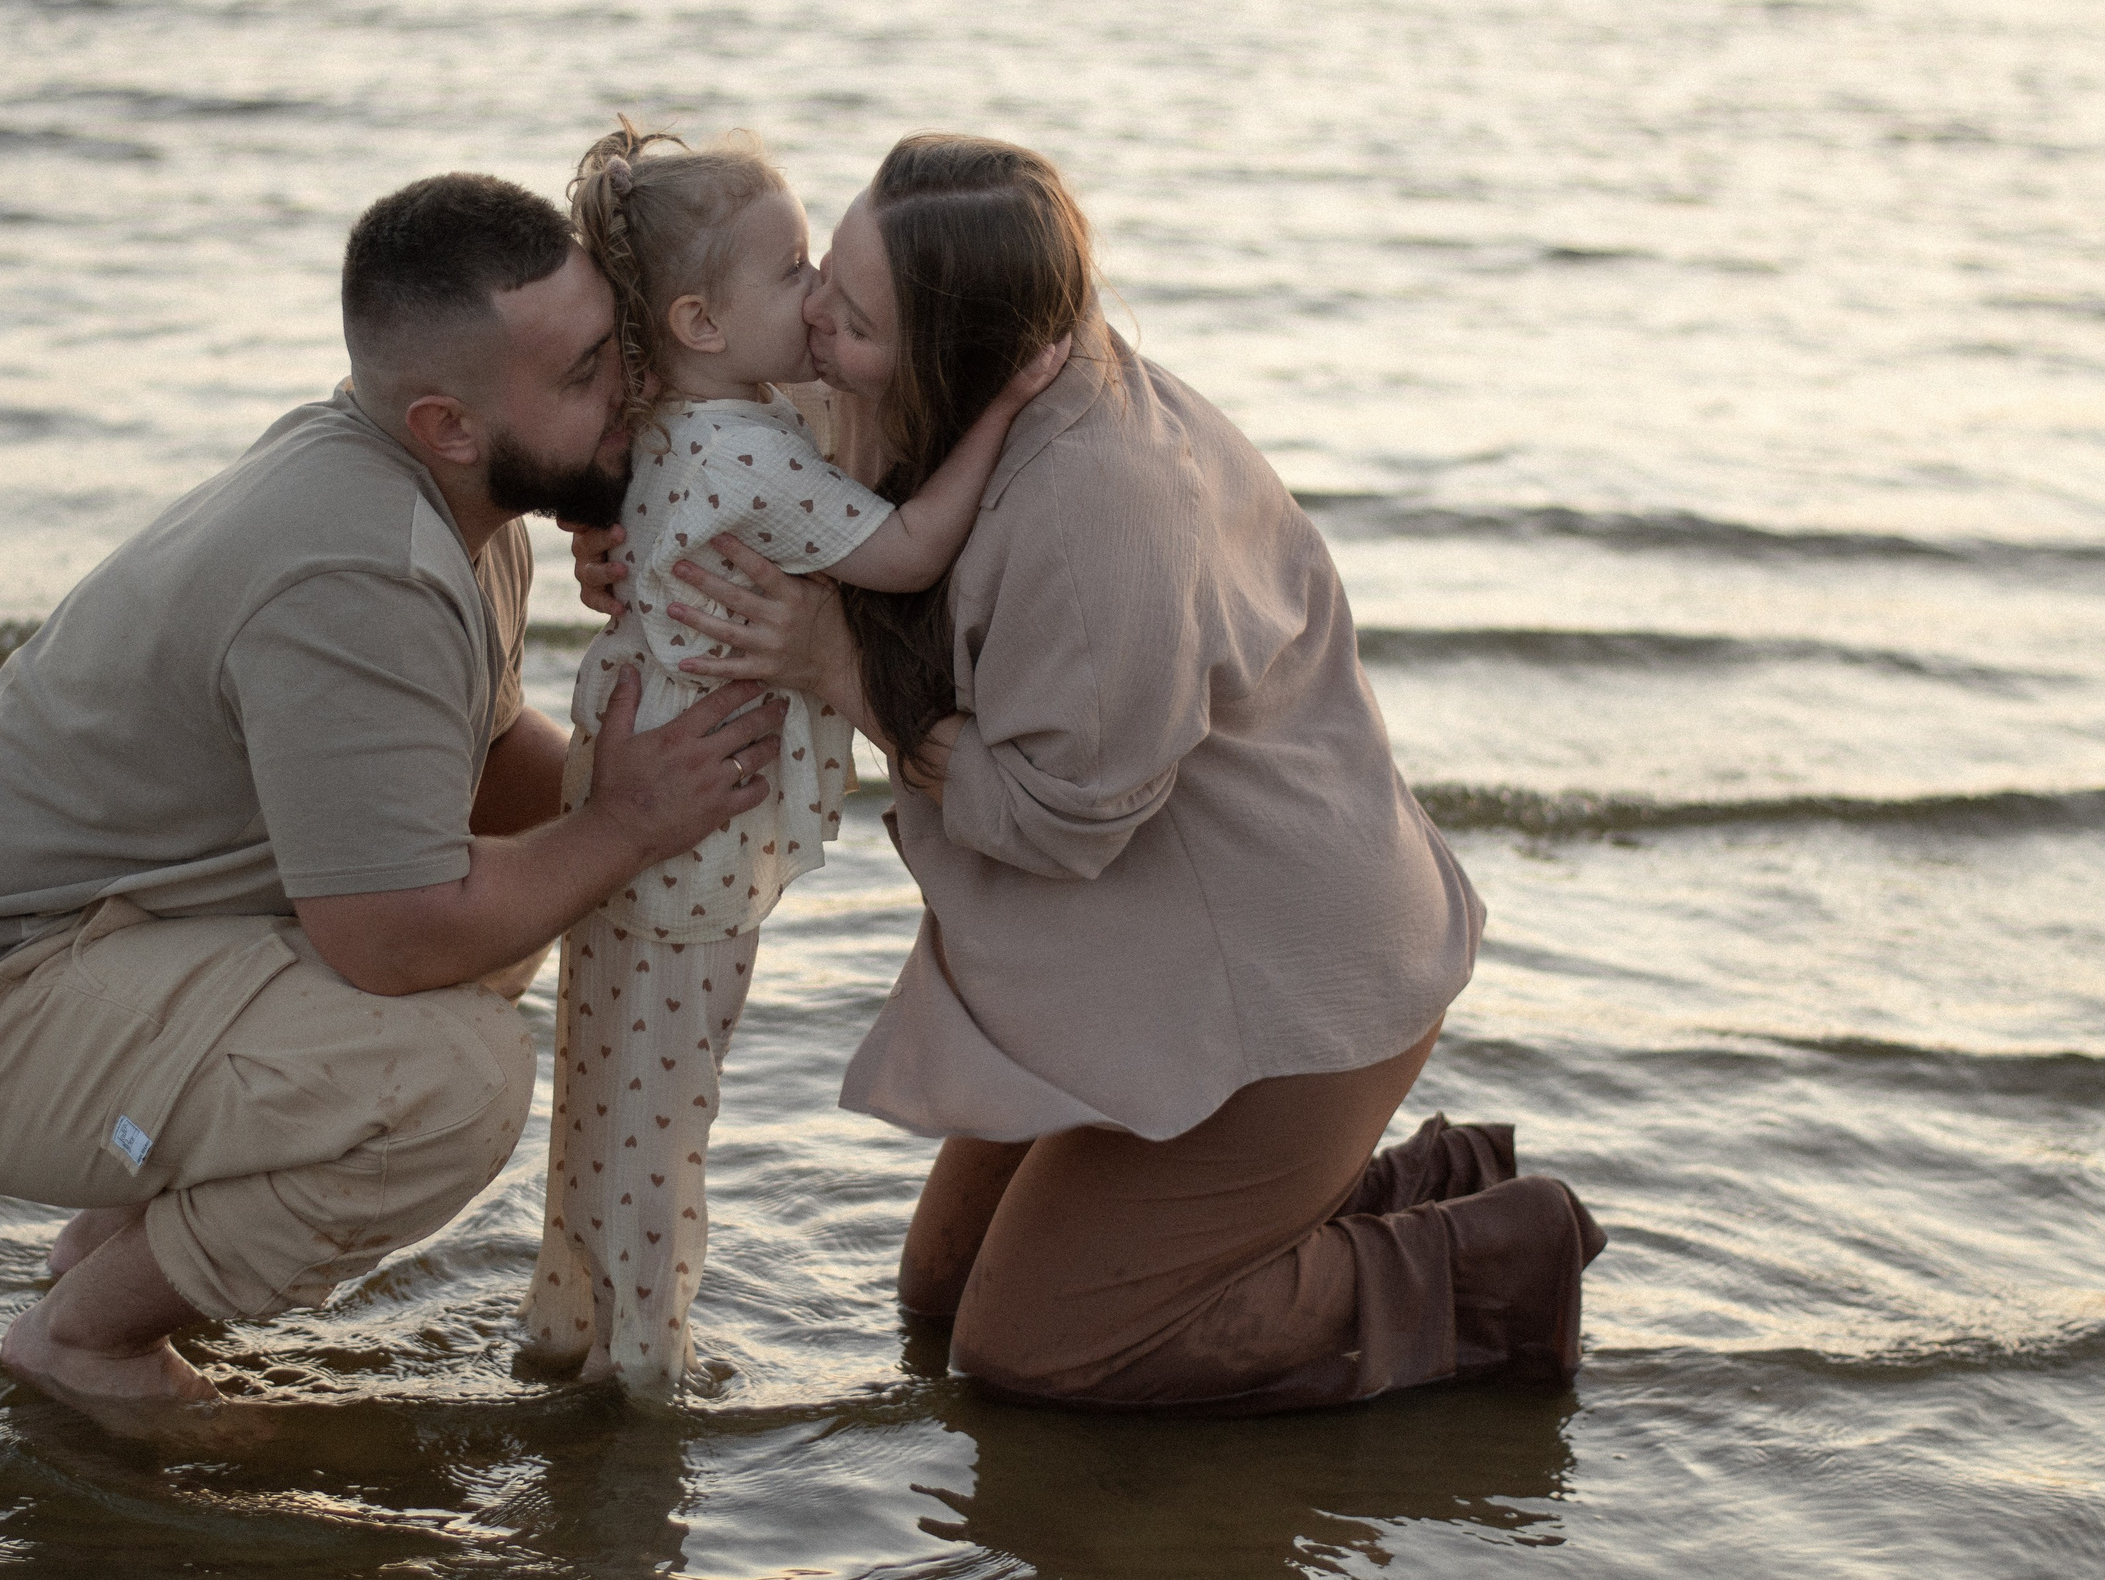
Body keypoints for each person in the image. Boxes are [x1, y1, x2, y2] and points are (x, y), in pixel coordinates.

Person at [578, 134, 1606, 1412]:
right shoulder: (931, 385)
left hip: (1276, 987)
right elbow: (733, 446)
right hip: (1134, 954)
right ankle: (1353, 1196)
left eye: (854, 317)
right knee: (941, 1294)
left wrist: (838, 669)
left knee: (1036, 1348)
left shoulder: (1100, 506)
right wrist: (629, 542)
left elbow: (1058, 827)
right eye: (822, 274)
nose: (817, 322)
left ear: (964, 351)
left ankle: (1497, 1265)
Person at [0, 173, 789, 1433]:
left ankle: (107, 1244)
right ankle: (83, 1343)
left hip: (100, 947)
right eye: (581, 377)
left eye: (615, 346)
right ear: (448, 424)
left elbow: (481, 769)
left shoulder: (444, 497)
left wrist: (648, 770)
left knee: (516, 906)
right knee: (451, 1085)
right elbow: (392, 936)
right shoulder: (363, 570)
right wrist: (624, 821)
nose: (629, 391)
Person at [521, 121, 1064, 1396]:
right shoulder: (748, 452)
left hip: (619, 782)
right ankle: (644, 1372)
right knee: (667, 1110)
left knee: (601, 1088)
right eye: (795, 271)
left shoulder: (671, 417)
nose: (818, 293)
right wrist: (1003, 407)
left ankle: (570, 1330)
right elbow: (910, 551)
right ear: (700, 321)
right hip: (693, 818)